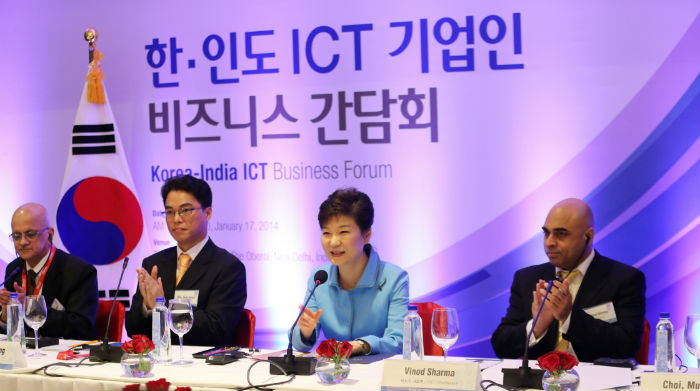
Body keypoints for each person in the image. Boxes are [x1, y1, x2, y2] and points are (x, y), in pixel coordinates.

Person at [491, 198, 646, 362]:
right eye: (546, 233)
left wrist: (569, 318)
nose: (549, 242)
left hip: (597, 384)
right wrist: (536, 327)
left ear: (588, 236)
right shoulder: (527, 278)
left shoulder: (624, 279)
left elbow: (628, 345)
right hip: (537, 384)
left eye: (561, 234)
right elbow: (501, 345)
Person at [125, 175, 246, 346]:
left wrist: (162, 308)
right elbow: (132, 329)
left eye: (185, 210)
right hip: (159, 362)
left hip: (203, 366)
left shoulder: (228, 267)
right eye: (170, 212)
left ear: (208, 212)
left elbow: (216, 329)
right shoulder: (153, 263)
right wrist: (148, 308)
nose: (176, 219)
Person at [292, 188, 409, 355]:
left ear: (366, 235)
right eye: (326, 233)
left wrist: (362, 345)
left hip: (379, 375)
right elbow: (300, 345)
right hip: (334, 374)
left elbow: (398, 341)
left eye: (343, 232)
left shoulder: (394, 278)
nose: (333, 242)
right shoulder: (319, 278)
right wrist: (305, 331)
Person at [0, 203, 98, 340]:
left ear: (49, 234)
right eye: (17, 236)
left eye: (30, 234)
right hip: (25, 355)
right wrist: (6, 317)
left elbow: (81, 327)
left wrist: (29, 308)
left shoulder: (79, 272)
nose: (22, 242)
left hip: (64, 356)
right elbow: (13, 332)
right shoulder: (13, 269)